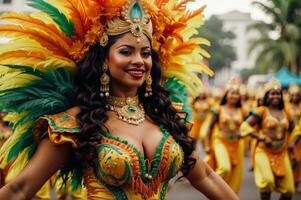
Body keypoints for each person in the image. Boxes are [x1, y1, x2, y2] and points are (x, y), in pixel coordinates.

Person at [0, 0, 238, 199]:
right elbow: (20, 189)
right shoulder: (76, 123)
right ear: (104, 60)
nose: (139, 61)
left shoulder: (165, 115)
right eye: (126, 52)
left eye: (145, 53)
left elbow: (205, 175)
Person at [240, 77, 295, 200]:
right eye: (272, 93)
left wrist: (292, 143)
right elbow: (244, 126)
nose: (275, 96)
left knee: (289, 190)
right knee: (267, 181)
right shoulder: (262, 111)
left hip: (282, 152)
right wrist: (261, 137)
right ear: (267, 96)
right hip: (263, 151)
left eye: (278, 94)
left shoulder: (286, 112)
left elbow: (295, 129)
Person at [204, 78, 247, 193]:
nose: (235, 96)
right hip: (220, 141)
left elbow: (250, 126)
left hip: (237, 144)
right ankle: (213, 189)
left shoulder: (243, 111)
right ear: (226, 95)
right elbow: (209, 128)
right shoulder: (218, 109)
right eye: (232, 93)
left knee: (234, 175)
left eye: (237, 94)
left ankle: (227, 194)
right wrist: (207, 145)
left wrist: (244, 133)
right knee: (224, 168)